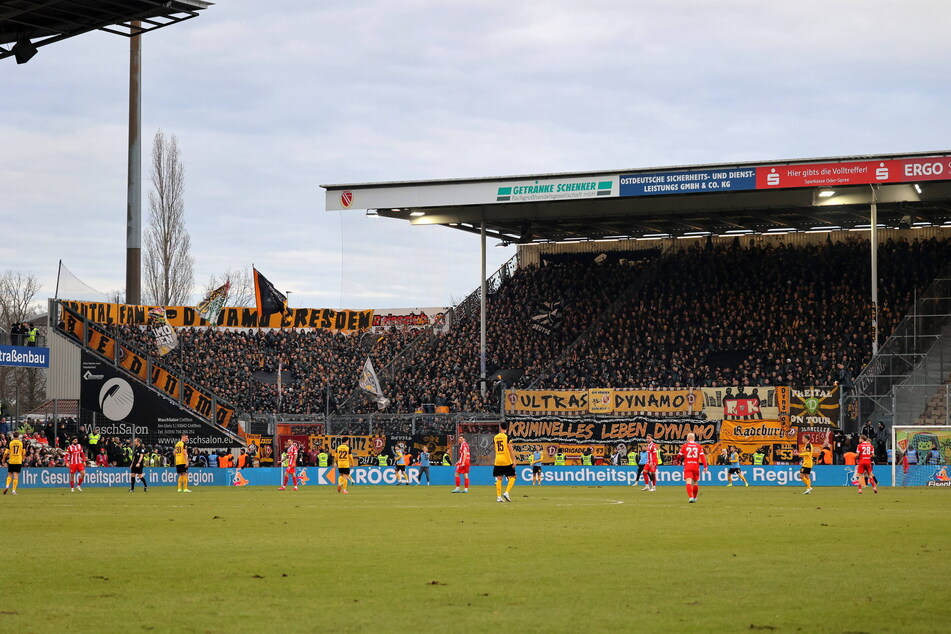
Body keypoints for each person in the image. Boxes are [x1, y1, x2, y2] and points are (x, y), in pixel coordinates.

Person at [677, 432, 708, 503]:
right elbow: (702, 457)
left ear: (687, 439)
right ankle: (695, 497)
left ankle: (690, 497)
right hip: (696, 466)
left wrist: (678, 461)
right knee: (696, 483)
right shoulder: (699, 446)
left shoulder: (685, 446)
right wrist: (705, 466)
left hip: (688, 465)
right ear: (694, 438)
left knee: (688, 482)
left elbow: (679, 456)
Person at [494, 422, 517, 503]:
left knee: (499, 478)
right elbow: (510, 449)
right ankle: (506, 492)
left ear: (500, 427)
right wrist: (514, 460)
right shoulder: (507, 437)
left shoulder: (496, 437)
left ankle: (499, 497)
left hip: (497, 460)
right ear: (507, 428)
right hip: (506, 459)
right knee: (513, 477)